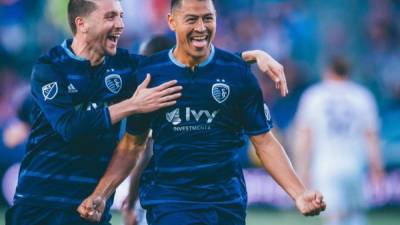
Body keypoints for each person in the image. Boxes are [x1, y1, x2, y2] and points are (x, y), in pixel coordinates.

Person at [6, 0, 290, 224]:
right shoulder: (50, 66)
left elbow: (178, 64)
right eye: (110, 17)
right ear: (82, 24)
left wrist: (250, 57)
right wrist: (133, 105)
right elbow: (70, 126)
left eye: (121, 16)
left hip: (89, 205)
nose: (120, 24)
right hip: (40, 201)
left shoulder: (124, 66)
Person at [78, 0, 326, 224]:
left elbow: (265, 142)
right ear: (172, 22)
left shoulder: (238, 73)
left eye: (208, 18)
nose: (201, 27)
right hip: (171, 201)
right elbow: (133, 145)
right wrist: (101, 193)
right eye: (192, 19)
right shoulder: (149, 74)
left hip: (226, 202)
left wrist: (299, 193)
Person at [293, 56, 384, 225]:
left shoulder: (314, 96)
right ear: (348, 72)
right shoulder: (362, 96)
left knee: (334, 218)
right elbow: (371, 137)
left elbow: (304, 138)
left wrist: (302, 170)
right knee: (356, 216)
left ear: (327, 71)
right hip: (355, 165)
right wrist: (377, 167)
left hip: (326, 165)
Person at [121, 34, 175, 225]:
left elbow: (144, 154)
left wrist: (130, 201)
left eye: (143, 58)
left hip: (163, 198)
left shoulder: (153, 100)